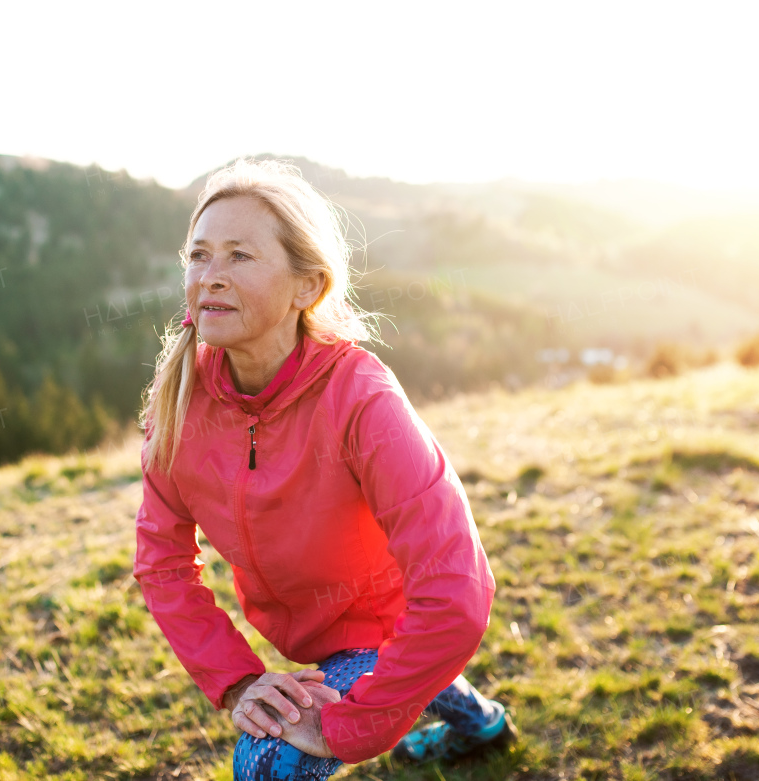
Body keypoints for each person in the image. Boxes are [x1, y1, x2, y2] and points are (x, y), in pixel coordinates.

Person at [132, 158, 515, 780]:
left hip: (387, 621)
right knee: (400, 671)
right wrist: (237, 684)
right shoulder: (182, 404)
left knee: (266, 762)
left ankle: (446, 706)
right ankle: (484, 727)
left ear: (307, 286)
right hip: (311, 633)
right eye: (199, 255)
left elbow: (455, 593)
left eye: (240, 256)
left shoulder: (364, 402)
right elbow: (162, 563)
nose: (211, 277)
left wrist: (344, 726)